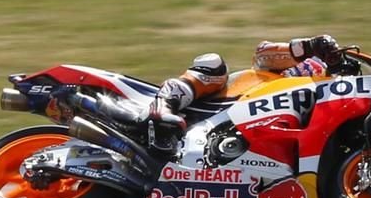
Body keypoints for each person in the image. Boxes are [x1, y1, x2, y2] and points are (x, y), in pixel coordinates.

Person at [144, 34, 345, 152]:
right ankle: (164, 105)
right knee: (213, 64)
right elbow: (263, 53)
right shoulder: (290, 67)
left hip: (257, 142)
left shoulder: (329, 93)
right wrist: (309, 47)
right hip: (227, 106)